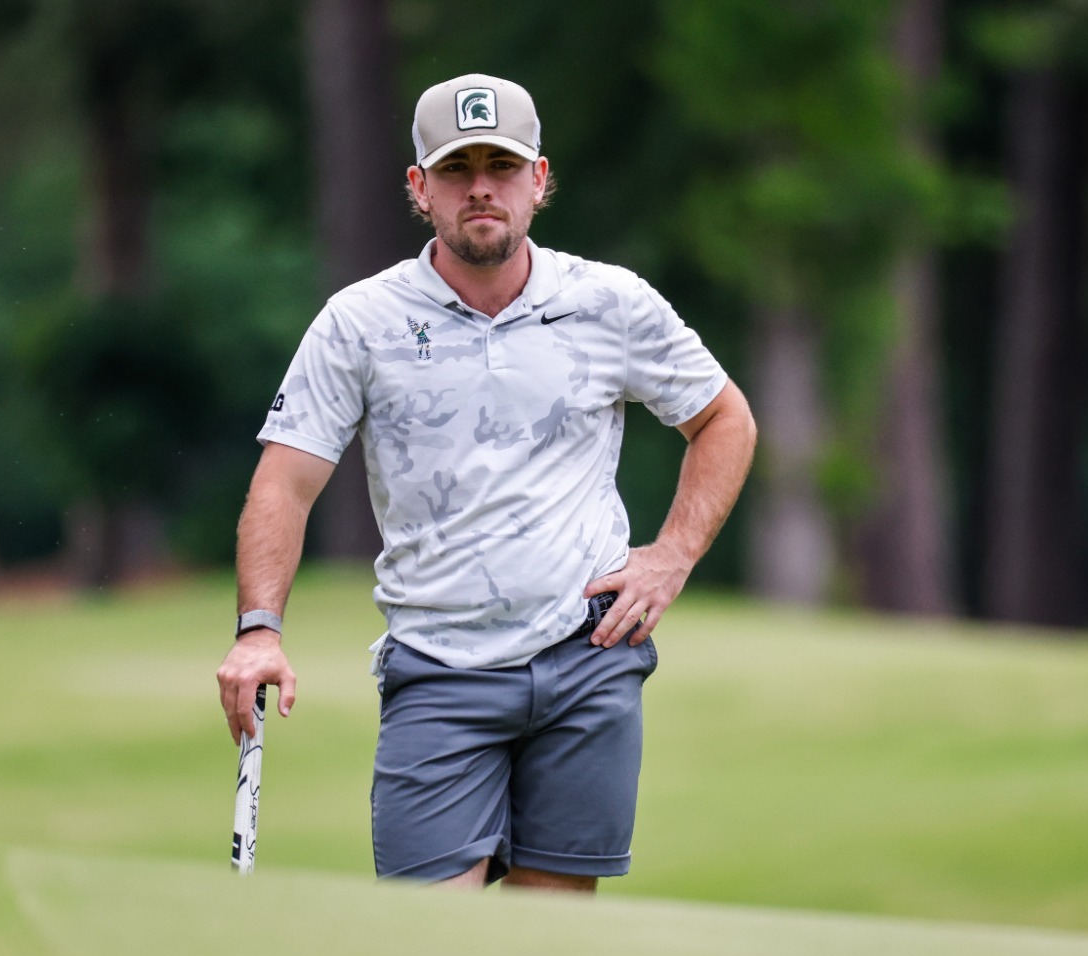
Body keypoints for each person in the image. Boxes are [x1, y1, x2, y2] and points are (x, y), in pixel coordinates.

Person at [215, 72, 757, 892]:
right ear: (419, 187)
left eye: (501, 166)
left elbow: (725, 419)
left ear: (538, 179)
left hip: (586, 657)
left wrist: (672, 555)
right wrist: (259, 629)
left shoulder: (608, 302)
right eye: (455, 168)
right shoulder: (361, 321)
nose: (480, 188)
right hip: (438, 667)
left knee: (547, 938)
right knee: (434, 938)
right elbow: (284, 484)